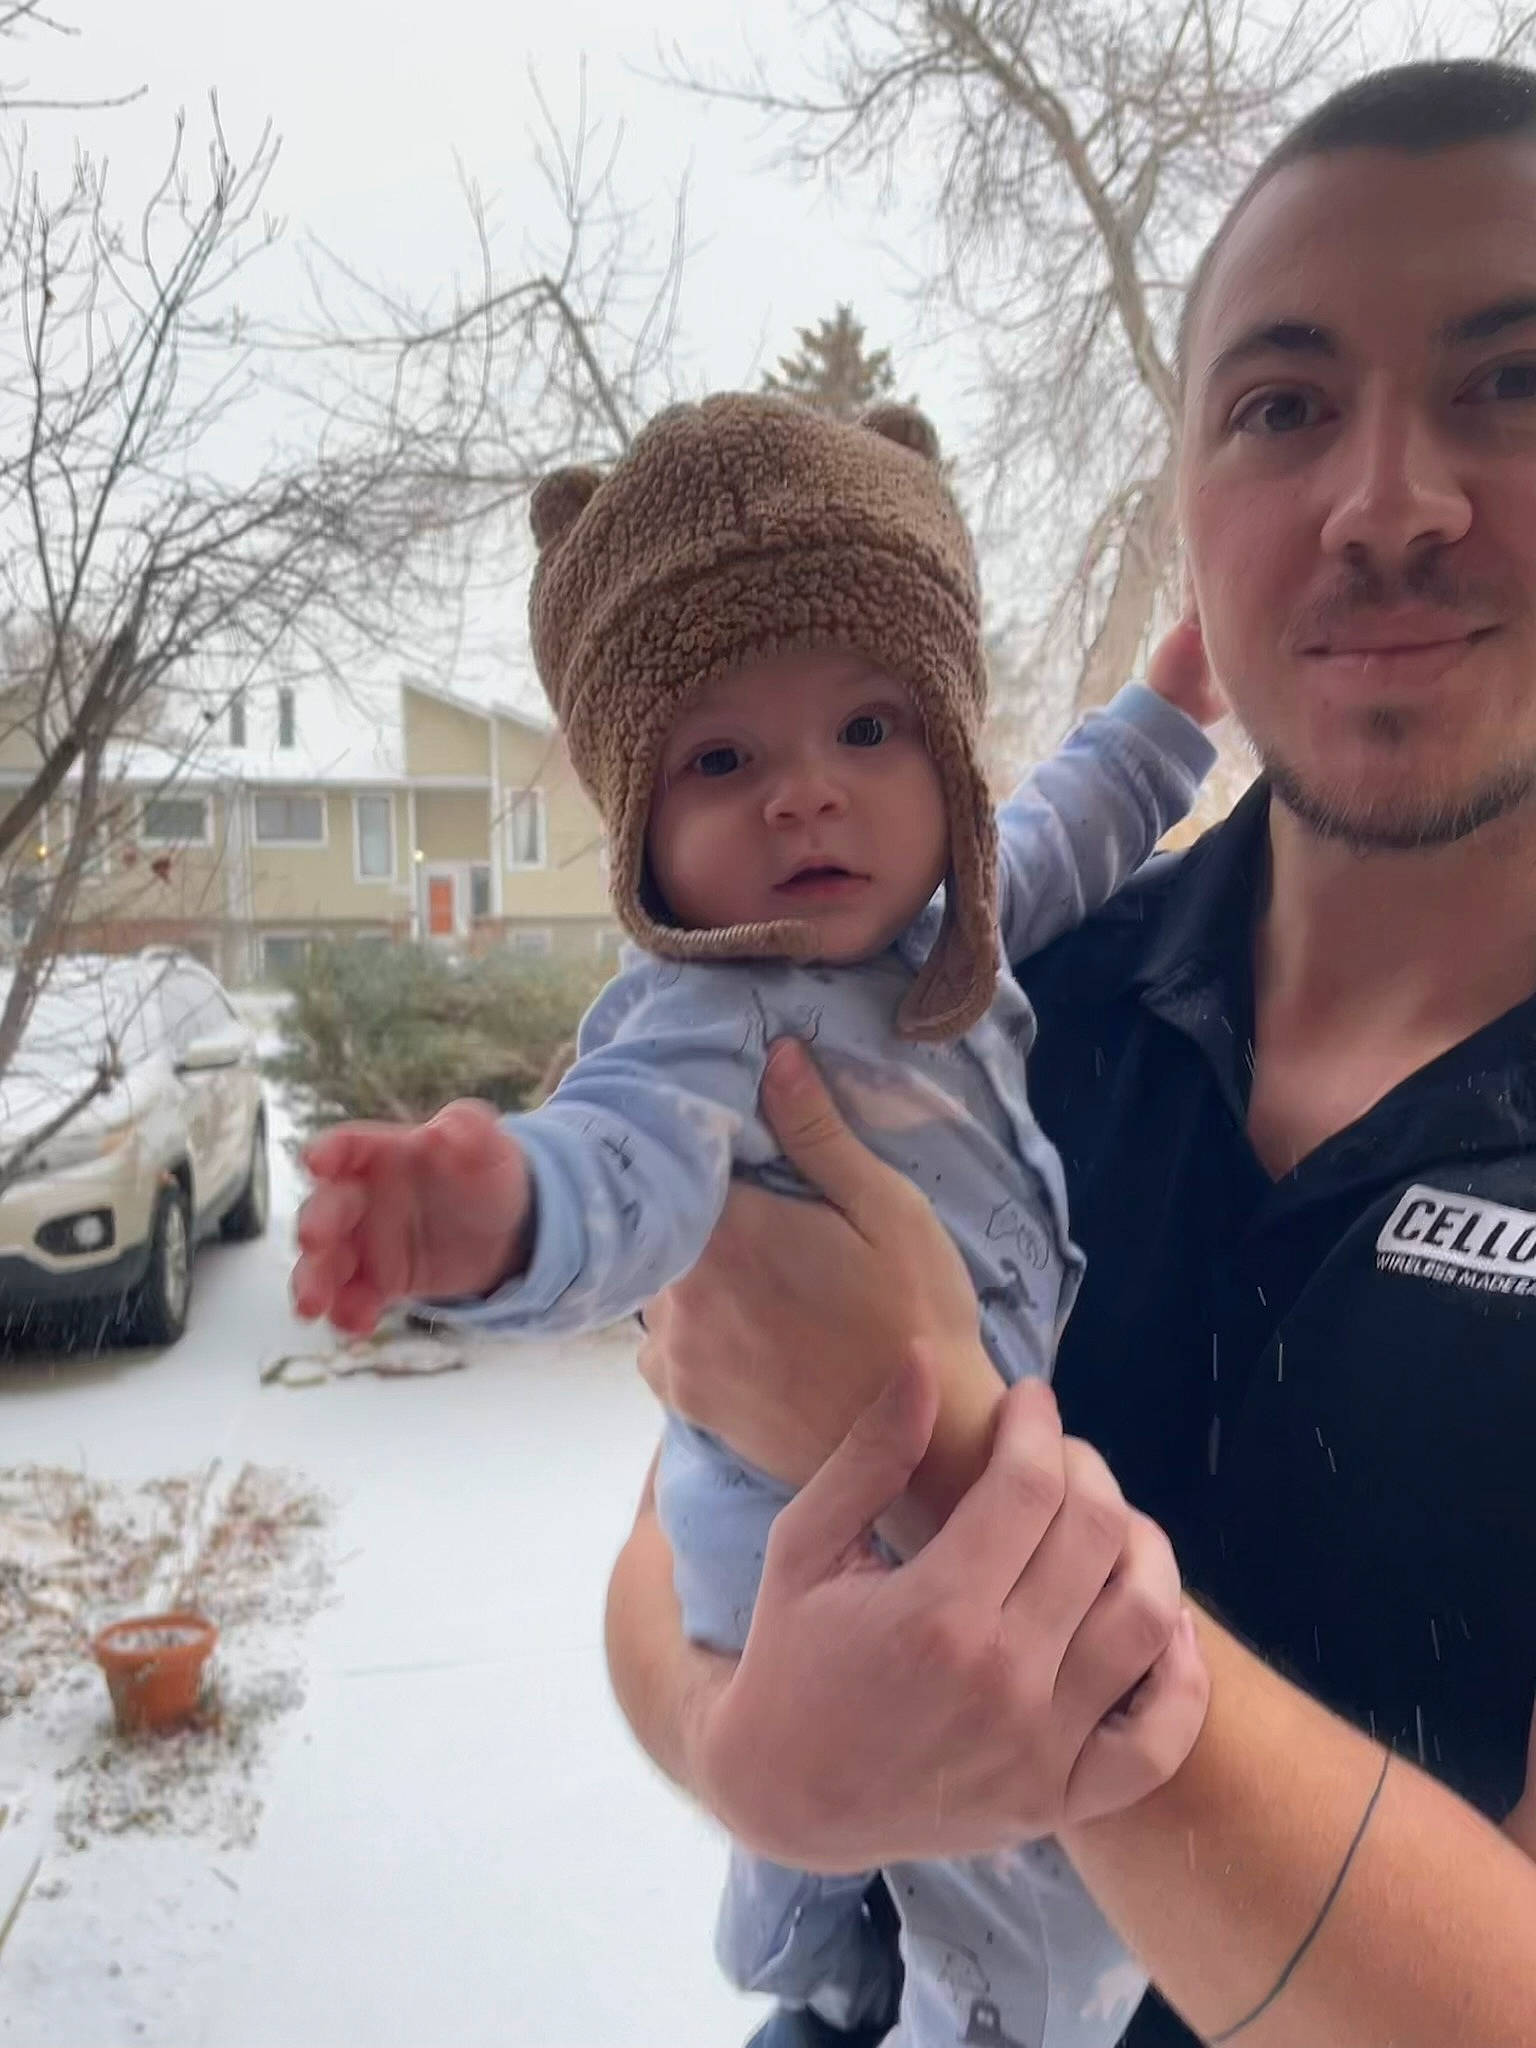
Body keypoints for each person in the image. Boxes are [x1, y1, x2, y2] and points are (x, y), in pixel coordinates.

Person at [606, 56, 1536, 2048]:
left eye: (1512, 380)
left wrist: (935, 1437)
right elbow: (676, 1528)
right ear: (1194, 505)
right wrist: (751, 1755)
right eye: (1285, 405)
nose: (1392, 502)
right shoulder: (991, 994)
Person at [289, 392, 1221, 2046]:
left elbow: (1068, 829)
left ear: (942, 751)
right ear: (641, 822)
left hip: (907, 1512)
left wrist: (1160, 723)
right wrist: (489, 1210)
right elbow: (614, 1173)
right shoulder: (709, 1022)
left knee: (887, 1829)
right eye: (724, 758)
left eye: (870, 731)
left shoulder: (955, 943)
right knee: (1031, 1878)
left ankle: (797, 1919)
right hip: (812, 1532)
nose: (809, 795)